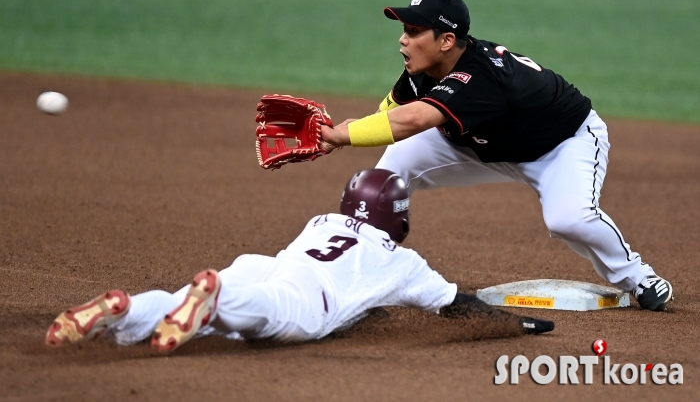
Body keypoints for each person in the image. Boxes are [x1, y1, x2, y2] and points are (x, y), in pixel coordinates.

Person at [320, 0, 673, 311]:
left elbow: (409, 122)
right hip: (480, 145)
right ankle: (360, 271)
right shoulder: (422, 69)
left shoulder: (480, 77)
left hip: (561, 145)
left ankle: (640, 278)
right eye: (404, 30)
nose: (402, 40)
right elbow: (391, 113)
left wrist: (344, 137)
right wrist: (338, 132)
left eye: (413, 32)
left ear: (446, 40)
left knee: (570, 219)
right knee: (386, 175)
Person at [46, 169, 553, 354]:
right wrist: (518, 324)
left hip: (262, 264)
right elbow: (456, 306)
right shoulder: (405, 262)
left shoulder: (322, 222)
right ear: (396, 215)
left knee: (185, 310)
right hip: (301, 293)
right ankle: (216, 297)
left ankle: (126, 309)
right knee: (265, 315)